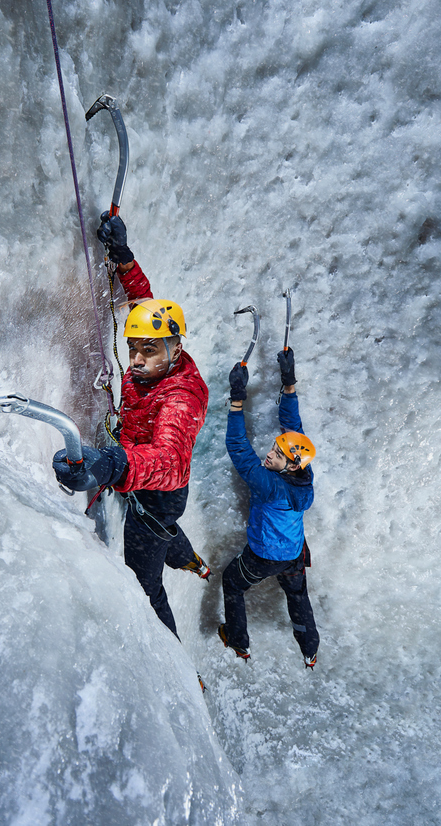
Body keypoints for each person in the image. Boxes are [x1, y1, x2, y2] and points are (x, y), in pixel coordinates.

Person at [53, 213, 210, 639]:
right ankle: (192, 561)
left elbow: (172, 460)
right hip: (144, 480)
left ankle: (175, 664)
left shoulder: (183, 395)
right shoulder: (158, 353)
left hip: (159, 491)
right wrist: (123, 257)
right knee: (164, 534)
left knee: (145, 580)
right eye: (133, 348)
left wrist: (114, 463)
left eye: (148, 351)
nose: (137, 359)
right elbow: (145, 303)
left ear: (176, 348)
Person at [219, 347, 320, 668]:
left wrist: (237, 399)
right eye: (275, 448)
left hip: (263, 557)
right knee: (297, 595)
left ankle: (239, 642)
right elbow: (294, 427)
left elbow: (238, 448)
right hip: (293, 552)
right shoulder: (303, 473)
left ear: (289, 466)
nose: (270, 454)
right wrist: (289, 383)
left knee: (232, 584)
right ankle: (310, 649)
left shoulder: (268, 484)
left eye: (277, 454)